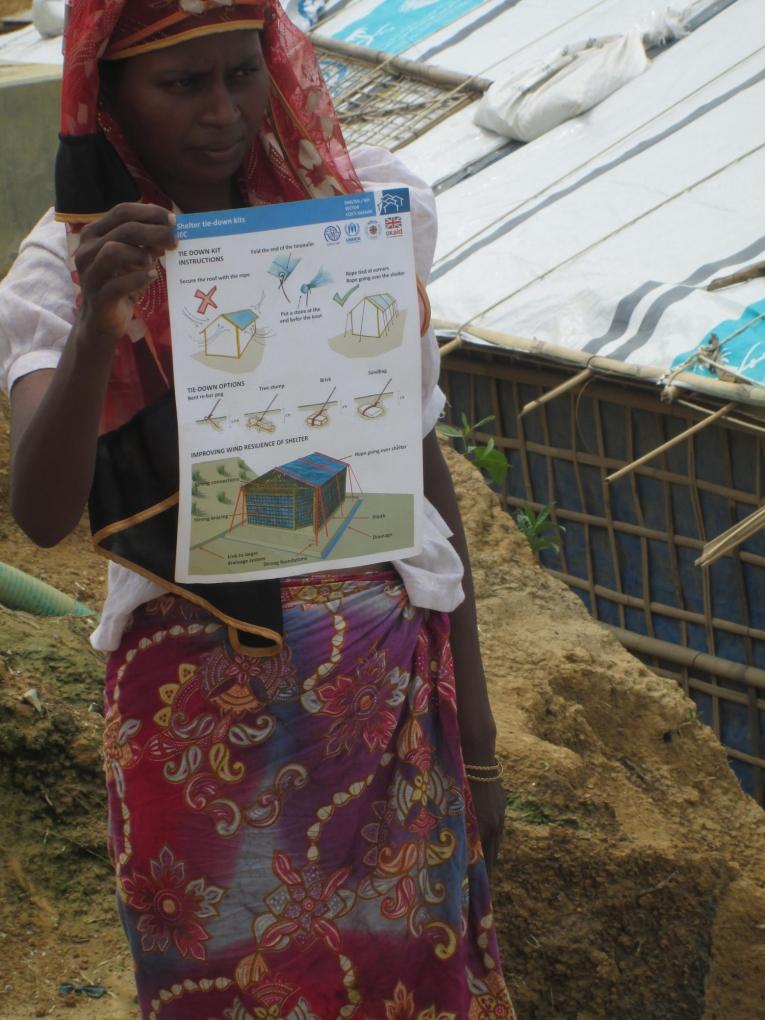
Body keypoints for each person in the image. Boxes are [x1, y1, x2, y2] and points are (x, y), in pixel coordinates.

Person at [1, 2, 515, 1017]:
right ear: (108, 97)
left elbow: (416, 466)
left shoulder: (350, 214)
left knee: (407, 981)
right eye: (181, 85)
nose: (222, 111)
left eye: (240, 72)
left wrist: (483, 747)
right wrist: (106, 322)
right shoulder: (70, 266)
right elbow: (43, 511)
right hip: (199, 736)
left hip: (385, 706)